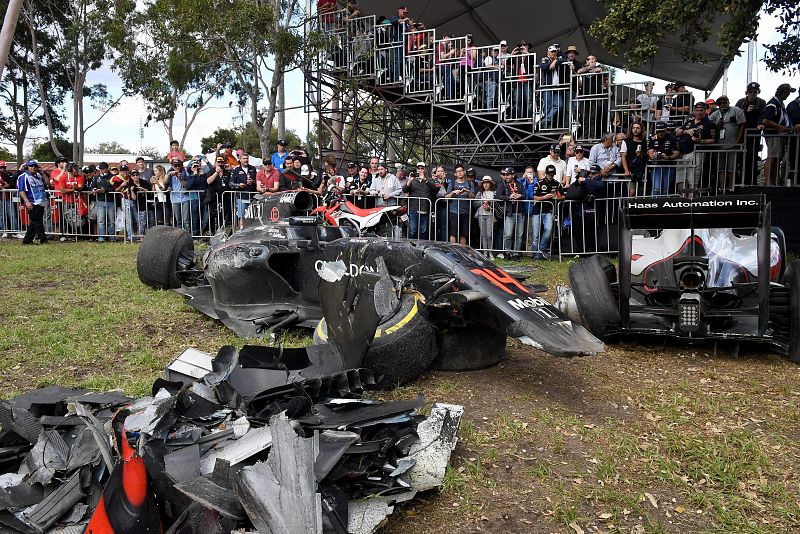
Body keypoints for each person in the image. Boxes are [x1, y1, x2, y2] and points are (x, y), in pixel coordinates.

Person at [675, 102, 716, 191]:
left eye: (701, 110)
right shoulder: (690, 120)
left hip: (696, 152)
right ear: (694, 111)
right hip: (683, 153)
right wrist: (687, 131)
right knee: (680, 177)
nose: (699, 112)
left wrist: (700, 141)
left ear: (705, 111)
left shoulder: (709, 123)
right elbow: (677, 131)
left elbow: (713, 140)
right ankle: (681, 199)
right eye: (697, 110)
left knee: (692, 178)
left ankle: (692, 200)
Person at [708, 95, 746, 191]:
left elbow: (742, 125)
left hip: (733, 144)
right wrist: (717, 125)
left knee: (732, 167)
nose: (722, 105)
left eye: (724, 102)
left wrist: (738, 140)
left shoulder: (736, 110)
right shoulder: (714, 114)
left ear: (728, 102)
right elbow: (709, 128)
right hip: (719, 145)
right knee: (721, 168)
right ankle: (722, 188)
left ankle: (731, 188)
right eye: (720, 103)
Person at [761, 83, 795, 186]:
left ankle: (774, 181)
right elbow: (765, 120)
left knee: (776, 158)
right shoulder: (773, 104)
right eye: (788, 92)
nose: (788, 95)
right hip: (773, 135)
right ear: (783, 92)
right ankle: (768, 181)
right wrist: (780, 127)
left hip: (778, 135)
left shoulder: (779, 103)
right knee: (772, 157)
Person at [735, 82, 768, 185]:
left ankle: (751, 182)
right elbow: (735, 115)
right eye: (750, 91)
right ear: (746, 92)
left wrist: (760, 124)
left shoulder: (761, 102)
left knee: (752, 158)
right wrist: (745, 111)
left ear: (758, 92)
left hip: (754, 135)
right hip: (741, 134)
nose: (752, 94)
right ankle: (738, 182)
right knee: (739, 158)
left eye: (755, 91)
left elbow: (763, 115)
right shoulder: (741, 102)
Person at [531, 165, 563, 259]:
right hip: (537, 210)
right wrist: (544, 198)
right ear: (545, 173)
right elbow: (535, 197)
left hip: (548, 210)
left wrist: (557, 197)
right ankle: (535, 255)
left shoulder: (557, 184)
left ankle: (542, 249)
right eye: (549, 174)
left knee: (548, 230)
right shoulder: (539, 183)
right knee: (535, 234)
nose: (550, 176)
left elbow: (564, 196)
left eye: (552, 174)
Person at [402, 162, 438, 239]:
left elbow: (435, 189)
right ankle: (410, 246)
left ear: (425, 170)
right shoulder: (412, 180)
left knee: (423, 230)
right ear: (416, 169)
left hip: (425, 208)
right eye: (418, 168)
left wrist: (425, 179)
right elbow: (404, 190)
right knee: (412, 230)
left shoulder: (430, 179)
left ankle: (421, 248)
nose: (420, 170)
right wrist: (409, 181)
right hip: (413, 208)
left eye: (422, 168)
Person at [17, 160, 49, 245]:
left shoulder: (38, 175)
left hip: (41, 201)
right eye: (31, 166)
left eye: (35, 166)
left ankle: (27, 240)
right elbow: (22, 191)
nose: (33, 168)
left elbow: (47, 182)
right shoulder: (23, 176)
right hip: (32, 202)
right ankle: (43, 240)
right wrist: (27, 202)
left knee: (35, 222)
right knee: (38, 222)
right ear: (27, 167)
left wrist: (43, 173)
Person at [495, 166, 524, 259]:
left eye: (508, 175)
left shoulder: (519, 184)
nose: (506, 176)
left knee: (519, 235)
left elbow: (524, 195)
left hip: (520, 212)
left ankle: (516, 254)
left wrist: (519, 195)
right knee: (508, 234)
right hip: (509, 212)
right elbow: (498, 196)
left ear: (513, 175)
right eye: (505, 175)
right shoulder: (502, 184)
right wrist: (509, 197)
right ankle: (507, 253)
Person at [445, 164, 476, 244]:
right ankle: (453, 253)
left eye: (461, 171)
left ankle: (462, 253)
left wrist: (467, 191)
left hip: (465, 212)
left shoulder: (469, 183)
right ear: (455, 174)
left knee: (463, 234)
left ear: (464, 172)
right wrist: (453, 192)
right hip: (454, 211)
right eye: (457, 171)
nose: (459, 173)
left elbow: (473, 197)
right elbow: (446, 197)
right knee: (453, 234)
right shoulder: (452, 184)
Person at [648, 121, 680, 196]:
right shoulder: (653, 138)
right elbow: (650, 153)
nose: (660, 133)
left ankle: (663, 206)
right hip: (656, 166)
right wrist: (655, 156)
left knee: (665, 189)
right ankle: (655, 205)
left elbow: (677, 153)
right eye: (658, 131)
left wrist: (667, 157)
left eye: (662, 131)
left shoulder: (672, 138)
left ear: (665, 130)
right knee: (656, 188)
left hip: (669, 166)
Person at [90, 162, 116, 241]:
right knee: (101, 220)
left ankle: (112, 237)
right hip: (100, 201)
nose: (101, 171)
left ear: (107, 169)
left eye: (103, 169)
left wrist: (105, 190)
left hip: (110, 201)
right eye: (100, 169)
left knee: (111, 220)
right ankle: (101, 237)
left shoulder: (112, 177)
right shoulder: (96, 177)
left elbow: (114, 188)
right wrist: (94, 190)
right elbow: (92, 186)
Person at [231, 153, 258, 226]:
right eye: (244, 158)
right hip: (241, 197)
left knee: (252, 217)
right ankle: (241, 233)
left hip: (252, 197)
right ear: (240, 160)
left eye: (247, 158)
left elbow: (258, 181)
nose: (246, 160)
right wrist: (239, 186)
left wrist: (253, 181)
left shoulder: (253, 168)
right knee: (241, 216)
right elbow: (231, 184)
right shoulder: (236, 170)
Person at [622, 122, 649, 195]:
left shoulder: (645, 142)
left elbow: (647, 156)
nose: (635, 130)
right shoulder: (626, 141)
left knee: (641, 192)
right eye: (633, 128)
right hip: (630, 170)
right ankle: (630, 206)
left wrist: (641, 156)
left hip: (641, 170)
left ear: (641, 129)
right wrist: (626, 170)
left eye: (637, 128)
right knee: (632, 192)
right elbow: (623, 157)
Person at [474, 176, 496, 256]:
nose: (486, 185)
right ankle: (485, 253)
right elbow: (474, 204)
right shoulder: (480, 193)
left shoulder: (494, 193)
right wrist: (482, 202)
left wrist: (490, 206)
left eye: (488, 183)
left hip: (490, 215)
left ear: (490, 184)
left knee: (489, 235)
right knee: (483, 235)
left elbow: (496, 205)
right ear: (482, 184)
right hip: (481, 214)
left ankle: (490, 252)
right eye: (484, 183)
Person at [128, 168, 152, 237]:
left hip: (149, 204)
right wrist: (132, 191)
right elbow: (134, 198)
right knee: (142, 222)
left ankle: (150, 236)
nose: (135, 176)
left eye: (137, 174)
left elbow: (150, 191)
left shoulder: (144, 182)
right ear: (131, 177)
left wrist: (144, 190)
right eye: (133, 175)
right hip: (139, 206)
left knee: (151, 221)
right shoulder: (130, 185)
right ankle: (141, 237)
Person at [0, 161, 20, 238]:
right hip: (0, 199)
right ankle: (4, 231)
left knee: (12, 214)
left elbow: (12, 184)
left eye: (4, 167)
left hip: (8, 198)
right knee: (1, 216)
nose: (2, 169)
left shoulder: (7, 175)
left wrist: (6, 185)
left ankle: (15, 231)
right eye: (1, 167)